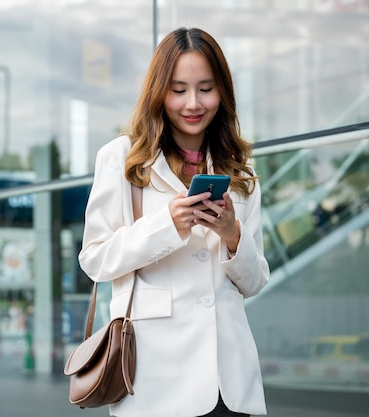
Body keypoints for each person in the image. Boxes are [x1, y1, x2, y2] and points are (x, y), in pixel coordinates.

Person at [78, 27, 270, 417]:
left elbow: (254, 282)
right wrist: (169, 225)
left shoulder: (240, 169)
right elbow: (95, 259)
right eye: (178, 89)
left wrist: (232, 235)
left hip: (229, 383)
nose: (193, 103)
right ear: (158, 91)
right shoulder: (123, 158)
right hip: (156, 382)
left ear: (224, 92)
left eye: (206, 88)